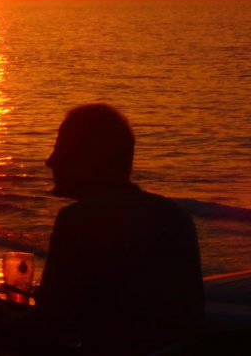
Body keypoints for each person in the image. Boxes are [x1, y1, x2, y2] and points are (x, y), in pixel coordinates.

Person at [35, 104, 204, 355]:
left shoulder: (79, 220)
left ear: (91, 158)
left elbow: (50, 323)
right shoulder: (174, 215)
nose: (50, 161)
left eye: (61, 149)